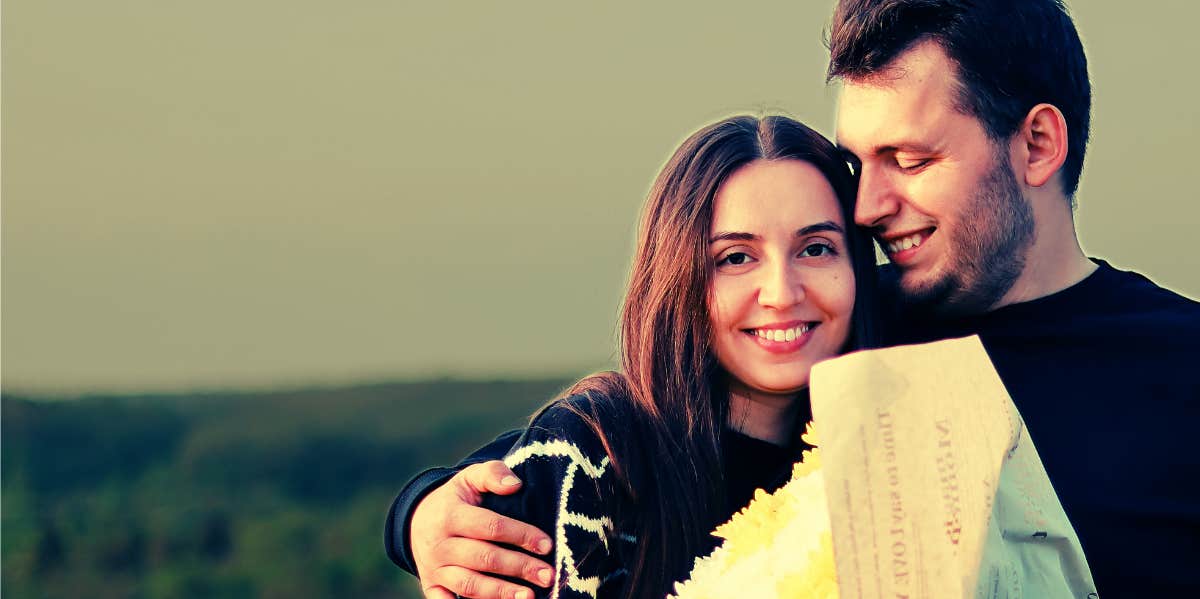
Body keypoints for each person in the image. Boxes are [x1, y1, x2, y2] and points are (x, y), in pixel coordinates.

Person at [387, 1, 1200, 597]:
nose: (866, 206)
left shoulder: (1180, 365)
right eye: (859, 164)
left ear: (1037, 143)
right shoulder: (847, 332)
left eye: (907, 159)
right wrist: (424, 514)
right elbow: (624, 431)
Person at [399, 114, 879, 599]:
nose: (781, 292)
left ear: (859, 265)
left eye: (817, 249)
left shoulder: (889, 446)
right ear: (678, 276)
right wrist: (416, 511)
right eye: (735, 257)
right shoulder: (597, 455)